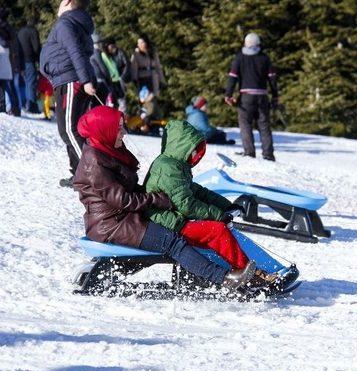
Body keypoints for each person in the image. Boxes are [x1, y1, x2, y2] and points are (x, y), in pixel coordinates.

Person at [73, 105, 257, 294]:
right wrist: (156, 199)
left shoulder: (104, 149)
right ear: (105, 130)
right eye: (118, 128)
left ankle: (231, 273)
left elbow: (126, 191)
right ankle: (224, 278)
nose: (124, 132)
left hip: (124, 218)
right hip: (112, 225)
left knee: (170, 239)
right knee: (172, 242)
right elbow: (123, 200)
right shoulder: (94, 162)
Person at [144, 120, 280, 289]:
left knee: (216, 228)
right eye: (195, 151)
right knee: (217, 231)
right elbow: (187, 205)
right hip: (167, 223)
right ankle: (246, 276)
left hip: (173, 219)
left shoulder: (176, 164)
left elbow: (197, 191)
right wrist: (219, 215)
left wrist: (226, 205)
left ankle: (244, 271)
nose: (197, 156)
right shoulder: (168, 168)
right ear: (183, 146)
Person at [40, 0, 97, 188]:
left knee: (69, 129)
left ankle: (93, 176)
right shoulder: (74, 22)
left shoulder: (66, 23)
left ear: (69, 2)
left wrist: (86, 80)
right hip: (68, 80)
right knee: (72, 129)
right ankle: (79, 174)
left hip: (71, 80)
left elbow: (75, 52)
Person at [225, 32, 278, 161]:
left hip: (246, 97)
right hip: (262, 96)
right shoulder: (264, 58)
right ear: (258, 44)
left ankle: (249, 152)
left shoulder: (239, 58)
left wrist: (228, 95)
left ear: (245, 44)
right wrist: (275, 95)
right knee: (264, 125)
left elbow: (232, 78)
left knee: (245, 124)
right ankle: (268, 154)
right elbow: (272, 79)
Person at [130, 34, 165, 100]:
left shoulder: (153, 53)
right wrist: (135, 80)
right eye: (138, 43)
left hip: (154, 78)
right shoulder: (136, 55)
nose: (139, 45)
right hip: (143, 80)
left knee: (154, 98)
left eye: (141, 43)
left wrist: (162, 80)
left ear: (146, 43)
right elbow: (133, 68)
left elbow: (158, 67)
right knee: (146, 99)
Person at [0, 9, 21, 116]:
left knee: (7, 85)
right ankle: (14, 108)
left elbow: (4, 43)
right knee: (10, 85)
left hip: (5, 59)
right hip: (11, 60)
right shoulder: (10, 28)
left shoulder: (3, 29)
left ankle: (7, 107)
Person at [18, 17, 41, 114]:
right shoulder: (33, 31)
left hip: (20, 61)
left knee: (24, 83)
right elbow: (36, 47)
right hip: (30, 60)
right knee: (31, 83)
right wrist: (39, 60)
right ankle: (32, 106)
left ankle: (24, 104)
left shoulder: (20, 31)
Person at [104, 37, 130, 112]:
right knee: (114, 99)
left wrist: (122, 77)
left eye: (111, 46)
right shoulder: (107, 55)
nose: (110, 48)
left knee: (121, 98)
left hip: (120, 78)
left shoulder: (120, 52)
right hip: (113, 80)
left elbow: (126, 64)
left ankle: (123, 114)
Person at [89, 33, 111, 105]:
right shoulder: (96, 52)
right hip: (100, 80)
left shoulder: (89, 53)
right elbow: (102, 67)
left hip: (93, 81)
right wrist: (108, 78)